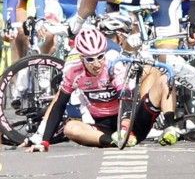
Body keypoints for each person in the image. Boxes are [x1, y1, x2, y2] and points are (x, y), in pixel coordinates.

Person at [22, 27, 174, 152]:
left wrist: (125, 128)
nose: (96, 64)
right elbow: (59, 105)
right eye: (90, 59)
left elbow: (126, 97)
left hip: (132, 122)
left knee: (164, 79)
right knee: (70, 128)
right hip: (105, 129)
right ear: (82, 58)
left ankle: (170, 127)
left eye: (100, 56)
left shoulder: (113, 63)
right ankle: (115, 142)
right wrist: (44, 141)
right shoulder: (74, 72)